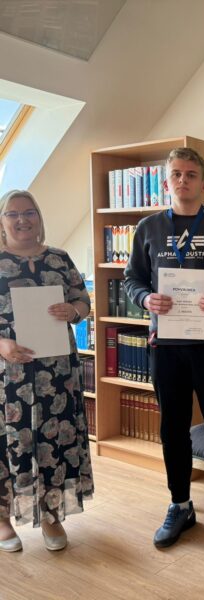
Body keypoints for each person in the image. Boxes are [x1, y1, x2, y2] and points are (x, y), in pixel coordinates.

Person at [124, 147, 204, 555]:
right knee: (172, 429)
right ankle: (180, 505)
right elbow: (132, 280)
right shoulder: (147, 228)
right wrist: (145, 299)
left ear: (203, 182)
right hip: (166, 347)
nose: (183, 180)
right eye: (176, 174)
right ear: (166, 182)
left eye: (191, 174)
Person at [0, 189, 94, 553]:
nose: (22, 219)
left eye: (29, 212)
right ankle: (2, 519)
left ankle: (52, 515)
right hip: (7, 374)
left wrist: (75, 311)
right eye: (12, 214)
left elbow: (83, 300)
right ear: (2, 221)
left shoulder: (59, 258)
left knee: (56, 441)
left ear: (39, 217)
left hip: (58, 373)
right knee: (8, 442)